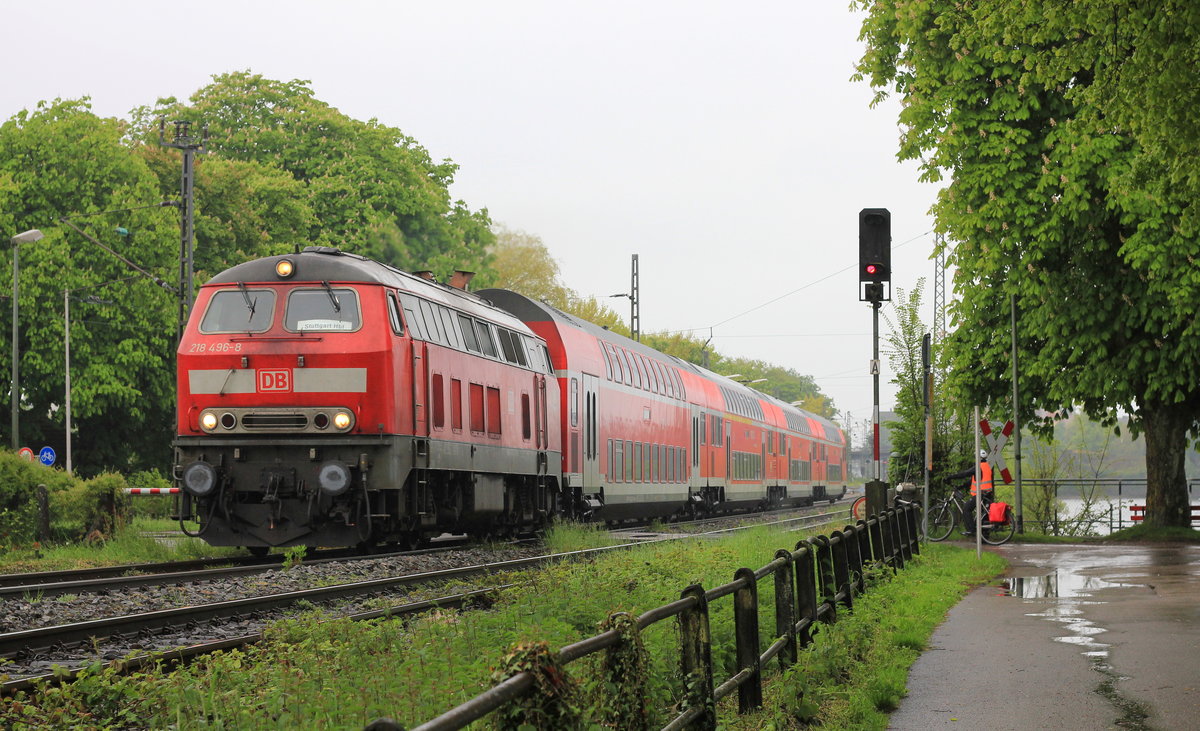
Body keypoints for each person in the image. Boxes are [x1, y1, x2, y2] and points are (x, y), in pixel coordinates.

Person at [947, 455, 994, 535]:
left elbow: (964, 474)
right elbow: (972, 481)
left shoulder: (978, 467)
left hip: (980, 494)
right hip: (987, 494)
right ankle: (984, 536)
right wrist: (961, 487)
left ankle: (971, 530)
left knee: (966, 508)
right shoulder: (987, 466)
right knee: (982, 515)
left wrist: (950, 477)